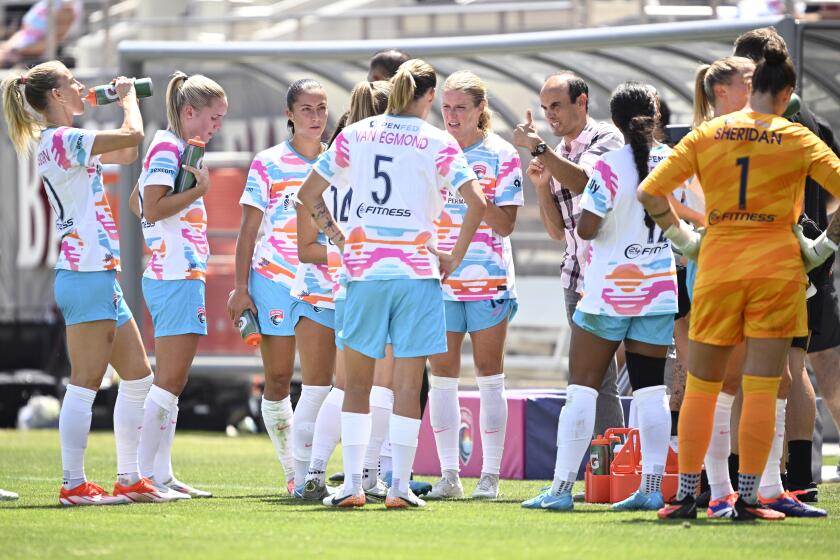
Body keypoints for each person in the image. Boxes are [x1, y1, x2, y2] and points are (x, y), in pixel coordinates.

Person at [639, 39, 840, 520]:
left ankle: (690, 497)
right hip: (776, 270)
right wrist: (826, 244)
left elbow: (650, 192)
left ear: (752, 90)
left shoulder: (708, 134)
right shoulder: (798, 136)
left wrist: (686, 241)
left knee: (704, 387)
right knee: (763, 385)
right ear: (787, 91)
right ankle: (751, 498)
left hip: (719, 265)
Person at [298, 59, 487, 509]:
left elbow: (308, 195)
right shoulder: (438, 141)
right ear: (427, 96)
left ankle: (351, 487)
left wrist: (341, 239)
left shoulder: (356, 134)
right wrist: (453, 257)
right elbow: (477, 203)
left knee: (356, 386)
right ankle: (399, 487)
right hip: (418, 274)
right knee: (406, 386)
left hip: (363, 273)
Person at [1, 62, 157, 505]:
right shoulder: (61, 138)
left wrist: (121, 108)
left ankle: (129, 477)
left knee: (138, 376)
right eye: (71, 81)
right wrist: (127, 98)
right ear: (55, 95)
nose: (81, 86)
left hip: (96, 271)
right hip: (84, 273)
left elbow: (125, 154)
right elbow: (133, 139)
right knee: (85, 381)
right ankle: (73, 483)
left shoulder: (64, 141)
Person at [522, 82, 677, 512]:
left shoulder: (609, 165)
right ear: (656, 115)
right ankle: (649, 488)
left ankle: (559, 491)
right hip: (657, 290)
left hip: (608, 290)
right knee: (651, 394)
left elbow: (586, 229)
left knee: (582, 391)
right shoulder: (675, 163)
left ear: (617, 119)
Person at [734, 26, 840, 502]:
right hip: (806, 259)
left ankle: (763, 479)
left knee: (778, 371)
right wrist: (823, 240)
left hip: (776, 258)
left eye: (744, 73)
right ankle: (796, 476)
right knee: (796, 368)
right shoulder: (816, 124)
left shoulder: (776, 126)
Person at [226, 79, 329, 496]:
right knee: (280, 378)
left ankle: (320, 466)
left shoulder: (336, 161)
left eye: (321, 108)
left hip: (322, 281)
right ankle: (293, 470)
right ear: (289, 113)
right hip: (273, 280)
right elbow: (248, 228)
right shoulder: (267, 162)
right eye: (306, 109)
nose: (316, 117)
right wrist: (239, 287)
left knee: (327, 381)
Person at [426, 70, 523, 500]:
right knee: (441, 376)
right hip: (439, 280)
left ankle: (490, 476)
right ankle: (449, 475)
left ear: (481, 108)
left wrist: (473, 195)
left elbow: (505, 223)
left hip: (488, 281)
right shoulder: (431, 149)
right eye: (445, 107)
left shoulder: (502, 154)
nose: (451, 116)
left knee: (489, 375)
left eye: (460, 107)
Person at [513, 71, 626, 437]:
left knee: (638, 376)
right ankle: (606, 470)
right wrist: (542, 187)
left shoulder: (607, 136)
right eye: (546, 108)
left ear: (582, 101)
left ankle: (633, 468)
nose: (551, 115)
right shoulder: (558, 153)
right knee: (591, 380)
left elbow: (587, 182)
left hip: (616, 277)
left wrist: (539, 149)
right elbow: (556, 232)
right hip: (576, 279)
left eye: (557, 105)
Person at [133, 71, 227, 500]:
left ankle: (161, 474)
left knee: (175, 380)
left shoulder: (173, 147)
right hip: (174, 274)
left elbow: (139, 202)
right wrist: (199, 190)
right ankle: (143, 476)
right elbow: (150, 206)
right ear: (190, 112)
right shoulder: (169, 147)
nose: (216, 126)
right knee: (169, 379)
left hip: (178, 272)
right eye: (213, 118)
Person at [299, 80, 395, 503]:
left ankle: (317, 470)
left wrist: (339, 241)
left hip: (347, 279)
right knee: (382, 386)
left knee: (345, 386)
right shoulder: (391, 154)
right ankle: (368, 473)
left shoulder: (335, 155)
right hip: (385, 276)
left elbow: (309, 202)